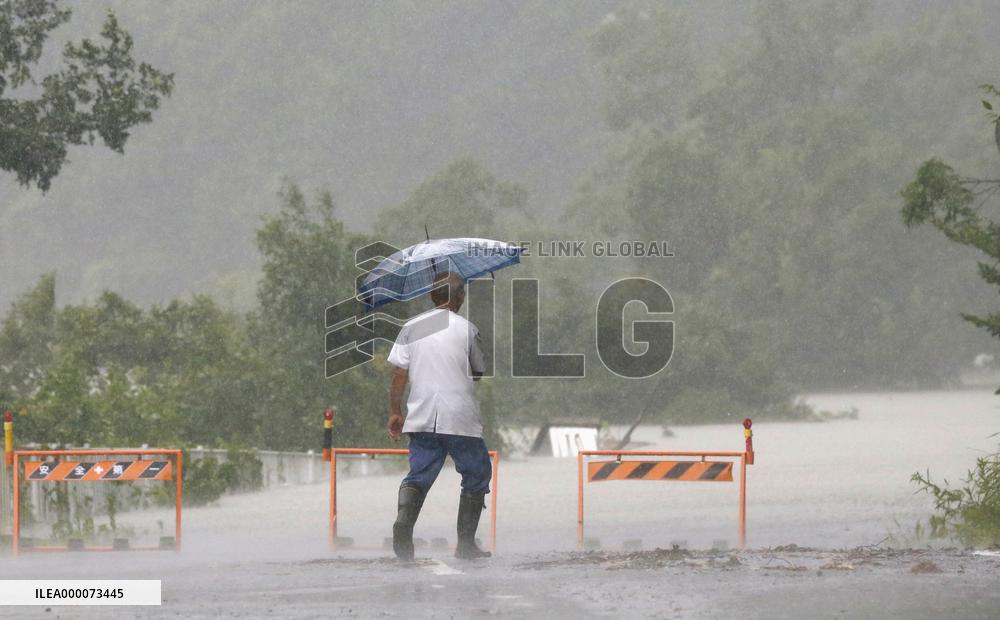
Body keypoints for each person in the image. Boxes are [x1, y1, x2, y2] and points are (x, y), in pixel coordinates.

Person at [386, 270, 492, 561]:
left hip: (421, 415)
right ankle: (466, 544)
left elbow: (399, 373)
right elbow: (479, 371)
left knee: (419, 474)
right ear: (458, 297)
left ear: (433, 296)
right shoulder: (467, 329)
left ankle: (404, 524)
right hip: (460, 418)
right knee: (477, 473)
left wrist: (396, 412)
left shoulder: (410, 328)